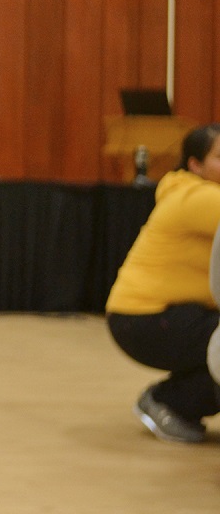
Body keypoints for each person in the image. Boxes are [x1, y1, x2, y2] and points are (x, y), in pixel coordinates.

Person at [106, 123, 220, 443]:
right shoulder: (197, 197)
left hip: (166, 316)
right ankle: (169, 401)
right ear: (195, 165)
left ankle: (177, 401)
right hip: (146, 318)